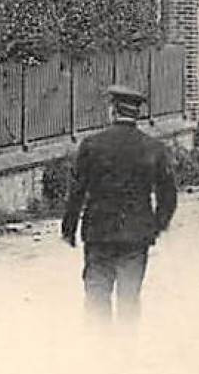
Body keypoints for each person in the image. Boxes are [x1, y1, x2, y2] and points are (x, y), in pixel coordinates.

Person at [61, 84, 179, 323]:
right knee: (129, 298)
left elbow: (76, 191)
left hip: (99, 233)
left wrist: (69, 228)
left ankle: (100, 352)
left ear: (112, 110)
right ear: (136, 114)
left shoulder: (91, 145)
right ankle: (125, 355)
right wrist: (157, 225)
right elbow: (168, 195)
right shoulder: (154, 148)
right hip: (136, 235)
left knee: (96, 294)